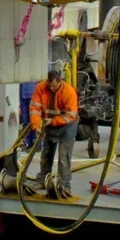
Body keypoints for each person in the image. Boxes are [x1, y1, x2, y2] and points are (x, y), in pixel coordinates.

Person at [30, 68, 78, 199]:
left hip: (67, 127)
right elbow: (34, 107)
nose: (51, 88)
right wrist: (36, 124)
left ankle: (65, 185)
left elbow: (70, 115)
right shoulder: (40, 87)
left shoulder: (69, 92)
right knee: (46, 154)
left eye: (54, 86)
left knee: (63, 158)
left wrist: (53, 121)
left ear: (60, 82)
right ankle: (42, 180)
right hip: (48, 124)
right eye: (50, 86)